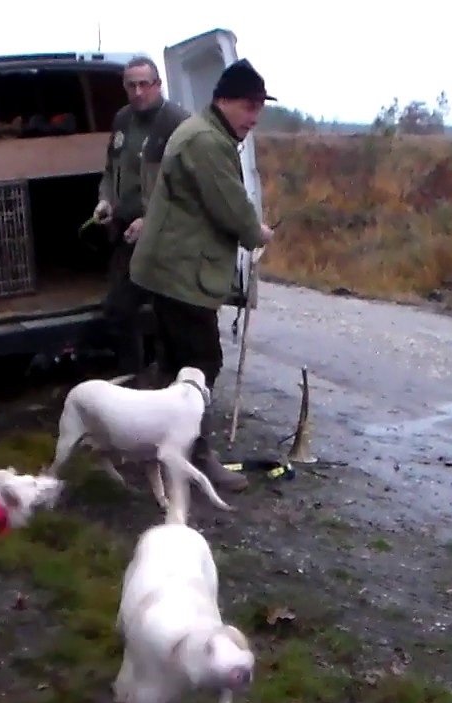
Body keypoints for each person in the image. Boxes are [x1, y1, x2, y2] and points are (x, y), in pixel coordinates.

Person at [128, 59, 277, 492]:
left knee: (175, 364)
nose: (254, 118)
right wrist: (257, 232)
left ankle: (153, 445)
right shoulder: (207, 141)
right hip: (180, 274)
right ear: (223, 101)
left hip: (170, 269)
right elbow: (230, 205)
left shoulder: (201, 131)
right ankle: (195, 454)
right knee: (201, 365)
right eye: (248, 107)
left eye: (258, 108)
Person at [93, 56, 190, 388]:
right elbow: (110, 169)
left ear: (157, 85)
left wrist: (150, 219)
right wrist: (106, 199)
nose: (137, 92)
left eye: (144, 84)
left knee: (169, 314)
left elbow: (187, 187)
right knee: (118, 310)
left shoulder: (177, 122)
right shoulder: (122, 119)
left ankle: (173, 384)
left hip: (166, 237)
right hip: (126, 233)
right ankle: (133, 382)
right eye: (130, 85)